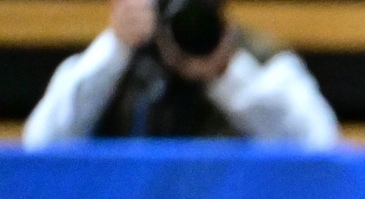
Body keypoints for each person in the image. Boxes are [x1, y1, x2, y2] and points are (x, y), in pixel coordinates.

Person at [24, 0, 338, 149]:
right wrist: (116, 49)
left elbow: (319, 146)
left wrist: (226, 75)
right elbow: (40, 146)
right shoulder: (114, 57)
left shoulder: (258, 59)